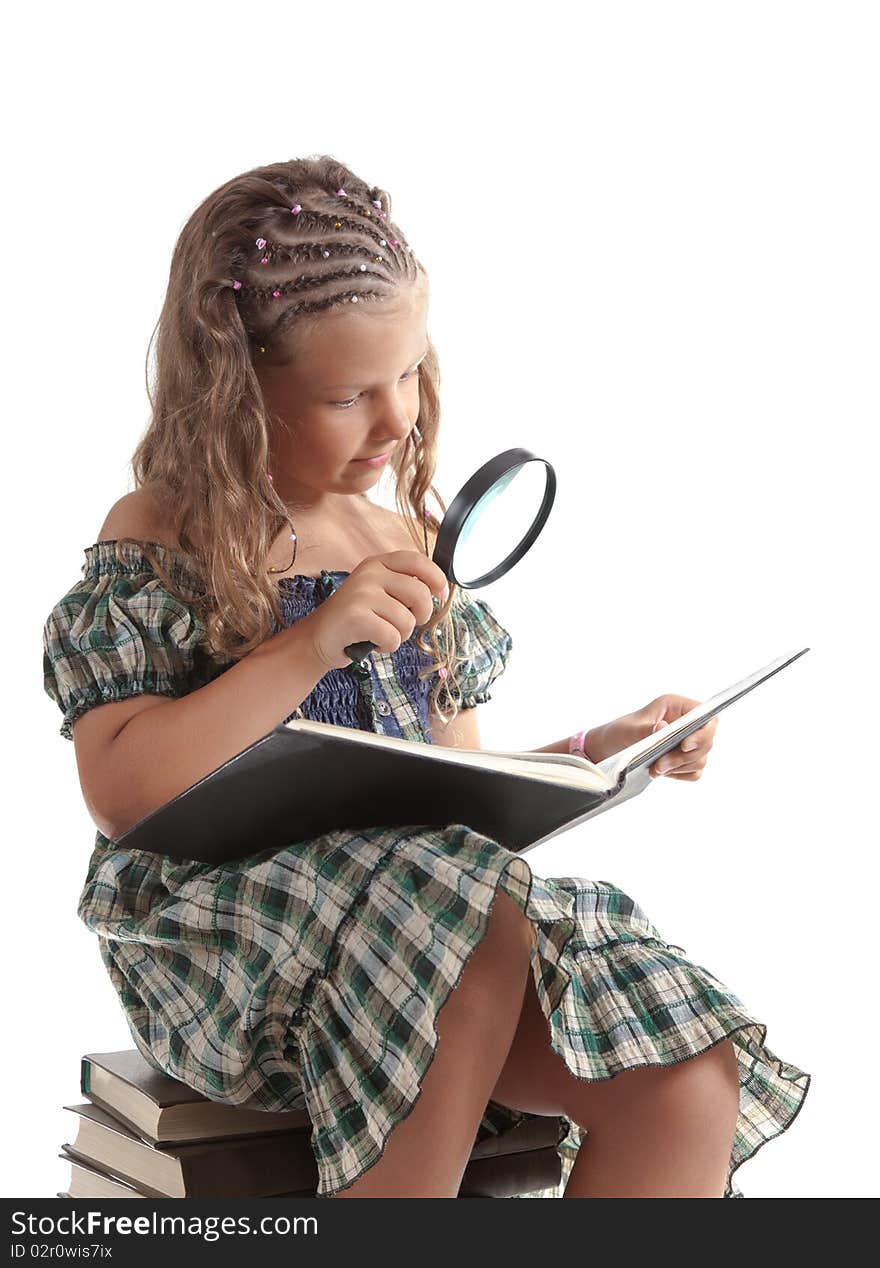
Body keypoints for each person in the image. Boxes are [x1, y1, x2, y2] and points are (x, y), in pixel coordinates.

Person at [41, 154, 811, 1199]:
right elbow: (125, 790)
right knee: (470, 912)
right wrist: (304, 646)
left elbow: (452, 795)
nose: (398, 420)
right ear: (236, 386)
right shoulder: (169, 535)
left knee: (678, 1062)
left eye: (407, 372)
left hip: (427, 922)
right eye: (349, 393)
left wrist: (600, 751)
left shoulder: (400, 539)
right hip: (226, 938)